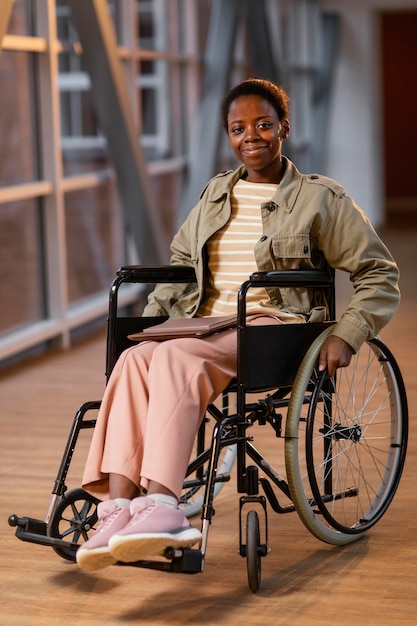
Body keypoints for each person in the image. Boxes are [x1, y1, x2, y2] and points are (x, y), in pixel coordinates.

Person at [76, 78, 400, 572]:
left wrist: (347, 332)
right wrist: (151, 322)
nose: (252, 136)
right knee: (136, 357)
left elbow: (380, 274)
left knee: (174, 357)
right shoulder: (214, 194)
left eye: (264, 125)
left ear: (283, 128)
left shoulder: (321, 199)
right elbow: (183, 263)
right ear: (229, 135)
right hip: (205, 323)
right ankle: (119, 509)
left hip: (273, 325)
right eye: (238, 128)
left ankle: (163, 505)